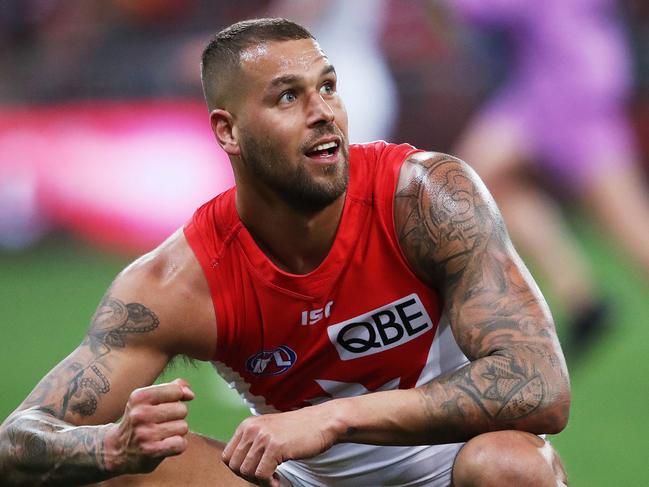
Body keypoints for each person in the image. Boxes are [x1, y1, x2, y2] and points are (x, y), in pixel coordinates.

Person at [0, 18, 570, 487]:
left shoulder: (425, 196)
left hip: (453, 469)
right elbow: (16, 441)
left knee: (510, 467)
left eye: (327, 86)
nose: (322, 110)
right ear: (228, 132)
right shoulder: (178, 283)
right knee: (115, 474)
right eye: (288, 97)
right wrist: (109, 446)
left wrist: (332, 419)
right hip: (302, 481)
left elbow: (541, 386)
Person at [444, 0, 649, 356]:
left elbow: (474, 12)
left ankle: (583, 300)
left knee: (632, 228)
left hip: (573, 91)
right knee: (475, 180)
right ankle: (581, 298)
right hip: (547, 86)